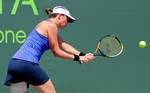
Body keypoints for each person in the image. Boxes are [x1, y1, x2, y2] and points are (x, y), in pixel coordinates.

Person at [4, 6, 95, 93]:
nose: (68, 23)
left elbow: (63, 45)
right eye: (67, 20)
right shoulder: (52, 26)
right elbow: (56, 52)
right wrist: (78, 58)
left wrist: (82, 54)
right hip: (27, 65)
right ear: (60, 16)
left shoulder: (46, 24)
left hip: (15, 64)